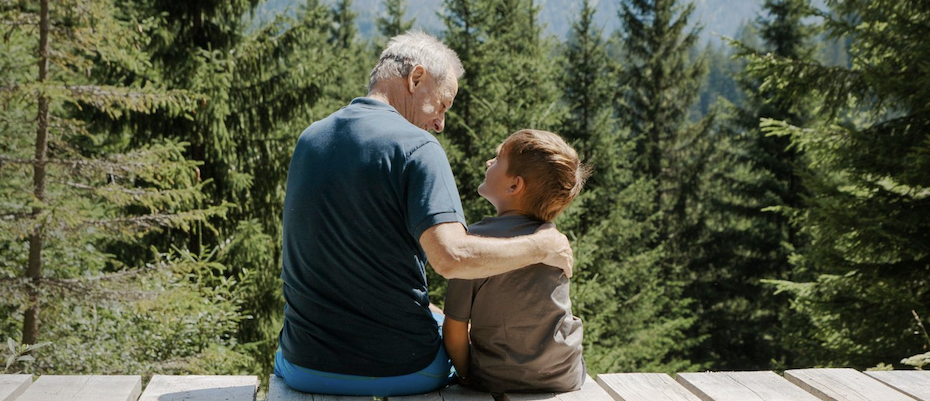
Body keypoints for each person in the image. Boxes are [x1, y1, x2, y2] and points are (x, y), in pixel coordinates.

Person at [274, 32, 575, 397]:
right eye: (442, 105)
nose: (440, 124)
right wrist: (543, 246)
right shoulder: (418, 147)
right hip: (404, 369)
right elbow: (452, 258)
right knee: (465, 341)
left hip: (302, 366)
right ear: (416, 79)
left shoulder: (310, 138)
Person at [443, 129, 590, 394]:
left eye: (498, 159)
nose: (488, 162)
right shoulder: (555, 242)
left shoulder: (473, 243)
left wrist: (465, 375)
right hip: (563, 376)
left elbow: (454, 331)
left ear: (514, 186)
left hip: (493, 379)